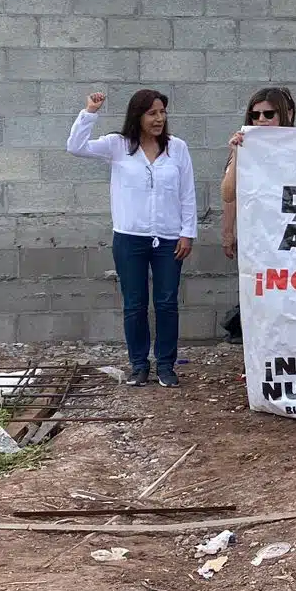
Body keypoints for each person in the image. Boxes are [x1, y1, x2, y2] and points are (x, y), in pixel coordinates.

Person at [67, 90, 196, 389]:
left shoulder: (177, 148)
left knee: (166, 303)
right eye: (152, 113)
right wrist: (90, 112)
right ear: (137, 116)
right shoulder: (117, 145)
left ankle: (166, 365)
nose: (159, 118)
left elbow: (187, 193)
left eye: (162, 112)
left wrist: (187, 232)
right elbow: (75, 146)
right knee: (134, 305)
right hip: (129, 238)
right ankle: (139, 365)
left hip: (168, 240)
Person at [220, 87, 296, 344]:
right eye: (255, 115)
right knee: (261, 305)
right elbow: (228, 194)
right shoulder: (246, 147)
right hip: (259, 242)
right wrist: (236, 154)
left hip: (294, 242)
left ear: (285, 115)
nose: (261, 120)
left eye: (269, 114)